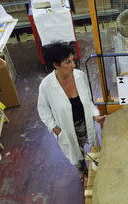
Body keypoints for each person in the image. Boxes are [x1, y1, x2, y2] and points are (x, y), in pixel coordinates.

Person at [37, 43, 106, 177]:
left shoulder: (80, 76)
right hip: (67, 129)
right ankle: (83, 173)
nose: (73, 65)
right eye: (67, 62)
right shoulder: (46, 86)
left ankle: (97, 173)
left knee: (95, 151)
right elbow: (43, 110)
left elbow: (88, 101)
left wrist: (95, 116)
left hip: (85, 124)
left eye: (72, 60)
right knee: (76, 155)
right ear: (56, 65)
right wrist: (55, 128)